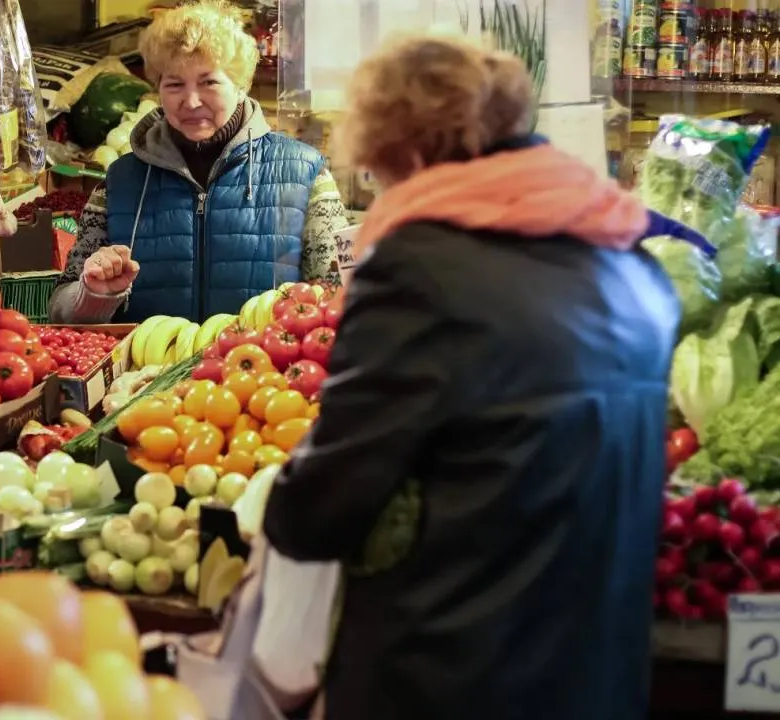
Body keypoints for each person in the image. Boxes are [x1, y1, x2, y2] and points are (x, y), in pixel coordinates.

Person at [261, 37, 684, 719]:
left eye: (378, 170)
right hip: (599, 676)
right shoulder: (636, 267)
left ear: (412, 152)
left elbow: (319, 512)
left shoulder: (421, 270)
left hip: (453, 677)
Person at [48, 0, 346, 325]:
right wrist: (93, 295)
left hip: (264, 372)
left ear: (241, 84)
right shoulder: (120, 182)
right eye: (174, 84)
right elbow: (59, 312)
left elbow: (339, 300)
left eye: (209, 82)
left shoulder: (306, 174)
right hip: (147, 374)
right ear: (158, 88)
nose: (191, 101)